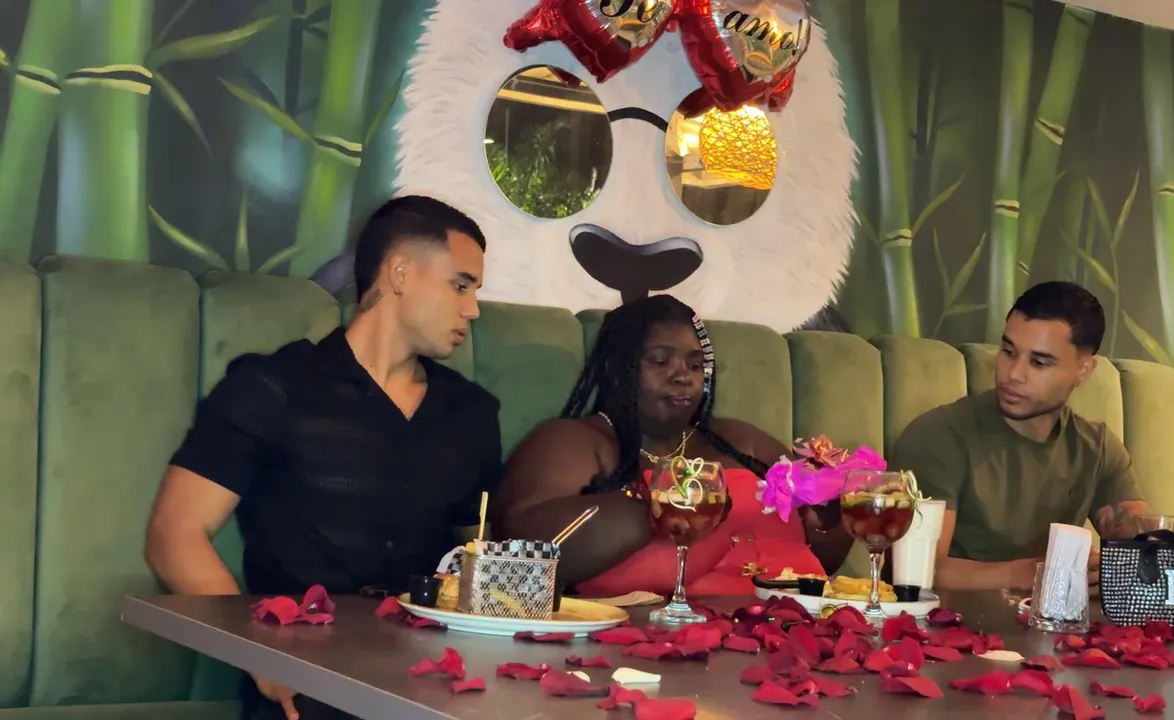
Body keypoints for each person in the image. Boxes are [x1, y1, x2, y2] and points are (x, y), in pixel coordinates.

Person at [144, 196, 501, 720]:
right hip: (304, 694)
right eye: (461, 285)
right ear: (400, 273)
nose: (473, 309)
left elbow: (481, 562)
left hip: (430, 692)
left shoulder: (471, 413)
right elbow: (174, 535)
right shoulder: (272, 388)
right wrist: (261, 655)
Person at [494, 294, 855, 597]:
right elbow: (520, 552)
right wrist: (649, 505)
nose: (684, 376)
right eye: (660, 360)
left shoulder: (742, 441)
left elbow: (819, 561)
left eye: (695, 365)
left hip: (793, 631)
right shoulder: (572, 442)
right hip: (649, 643)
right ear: (617, 370)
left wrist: (828, 517)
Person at [890, 281, 1151, 592]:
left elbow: (1141, 540)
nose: (1013, 373)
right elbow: (916, 573)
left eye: (1039, 362)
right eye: (1008, 351)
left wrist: (1140, 539)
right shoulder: (938, 436)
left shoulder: (1097, 448)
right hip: (948, 620)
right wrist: (1037, 572)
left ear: (1084, 370)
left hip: (1051, 621)